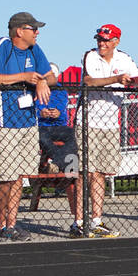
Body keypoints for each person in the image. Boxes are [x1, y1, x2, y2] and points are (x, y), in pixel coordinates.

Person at [0, 12, 56, 240]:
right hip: (6, 123)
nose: (37, 32)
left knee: (20, 176)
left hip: (28, 120)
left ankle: (11, 224)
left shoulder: (35, 49)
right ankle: (1, 221)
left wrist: (42, 80)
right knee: (7, 176)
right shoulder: (3, 45)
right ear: (19, 31)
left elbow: (52, 76)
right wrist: (23, 77)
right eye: (33, 28)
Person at [79, 23, 138, 238]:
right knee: (85, 171)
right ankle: (80, 220)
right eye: (99, 39)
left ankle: (96, 220)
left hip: (110, 123)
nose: (102, 43)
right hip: (88, 121)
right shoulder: (90, 56)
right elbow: (89, 82)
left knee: (101, 173)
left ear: (116, 41)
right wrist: (117, 79)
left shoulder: (124, 58)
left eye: (107, 40)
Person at [35, 63, 83, 232]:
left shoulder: (61, 90)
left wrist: (57, 113)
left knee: (71, 135)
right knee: (42, 138)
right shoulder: (37, 88)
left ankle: (64, 164)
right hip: (42, 126)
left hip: (58, 126)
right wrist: (41, 112)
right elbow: (33, 108)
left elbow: (63, 110)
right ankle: (62, 163)